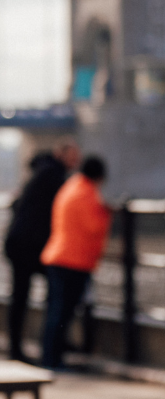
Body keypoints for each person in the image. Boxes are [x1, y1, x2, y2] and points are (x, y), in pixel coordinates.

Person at [3, 140, 80, 361]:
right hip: (28, 246)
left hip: (21, 243)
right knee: (56, 288)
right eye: (72, 156)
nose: (76, 161)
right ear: (60, 154)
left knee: (24, 296)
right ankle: (49, 343)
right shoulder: (53, 176)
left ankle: (24, 346)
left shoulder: (41, 172)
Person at [39, 155, 111, 370]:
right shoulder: (85, 194)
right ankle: (52, 360)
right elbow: (94, 226)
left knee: (56, 310)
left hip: (59, 257)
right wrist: (106, 213)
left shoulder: (71, 187)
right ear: (98, 176)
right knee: (61, 312)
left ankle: (50, 357)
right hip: (72, 261)